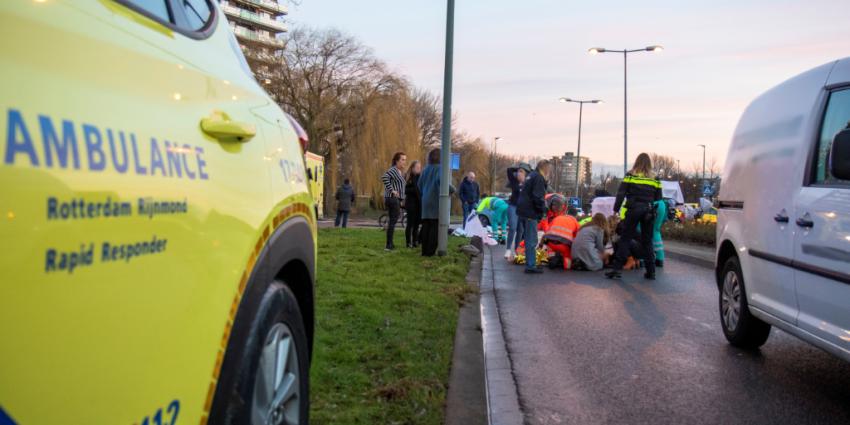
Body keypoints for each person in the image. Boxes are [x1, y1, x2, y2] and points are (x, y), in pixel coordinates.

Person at [606, 153, 662, 280]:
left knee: (625, 238)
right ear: (649, 163)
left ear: (637, 161)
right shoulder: (655, 178)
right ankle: (651, 271)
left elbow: (621, 193)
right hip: (648, 210)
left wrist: (616, 209)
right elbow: (659, 198)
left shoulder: (630, 175)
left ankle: (616, 269)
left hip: (633, 209)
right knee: (647, 241)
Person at [517, 160, 551, 274]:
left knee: (528, 238)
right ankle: (530, 265)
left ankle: (530, 263)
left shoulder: (531, 175)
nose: (549, 172)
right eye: (548, 169)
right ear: (545, 168)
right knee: (531, 239)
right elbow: (538, 197)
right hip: (530, 212)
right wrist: (542, 210)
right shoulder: (538, 178)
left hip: (523, 210)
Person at [381, 152, 407, 251]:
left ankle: (390, 243)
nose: (404, 162)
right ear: (397, 161)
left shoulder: (400, 172)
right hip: (392, 198)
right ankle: (388, 245)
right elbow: (384, 177)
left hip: (396, 199)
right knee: (393, 221)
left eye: (405, 160)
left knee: (393, 221)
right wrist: (392, 190)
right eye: (402, 160)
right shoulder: (393, 170)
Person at [418, 149, 442, 256]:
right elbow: (441, 182)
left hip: (425, 200)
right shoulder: (440, 168)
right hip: (435, 200)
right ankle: (430, 252)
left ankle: (424, 251)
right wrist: (452, 189)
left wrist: (425, 192)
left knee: (426, 225)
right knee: (434, 226)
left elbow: (419, 184)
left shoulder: (426, 169)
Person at [505, 163, 530, 261]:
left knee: (521, 230)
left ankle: (516, 250)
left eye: (521, 172)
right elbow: (509, 170)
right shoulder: (514, 181)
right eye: (518, 172)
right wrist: (519, 168)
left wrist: (527, 169)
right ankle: (508, 249)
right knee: (513, 227)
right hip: (513, 206)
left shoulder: (528, 184)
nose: (519, 173)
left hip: (522, 209)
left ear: (525, 174)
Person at [404, 160, 423, 248]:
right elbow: (405, 190)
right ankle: (408, 242)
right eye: (417, 168)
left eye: (420, 168)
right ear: (412, 168)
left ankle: (415, 241)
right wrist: (414, 190)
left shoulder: (420, 177)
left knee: (416, 224)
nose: (419, 169)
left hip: (419, 203)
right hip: (411, 204)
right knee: (410, 224)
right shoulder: (408, 177)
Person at [652, 199, 668, 268]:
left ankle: (641, 259)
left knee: (641, 230)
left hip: (651, 203)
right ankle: (659, 258)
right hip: (661, 204)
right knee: (656, 230)